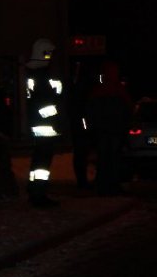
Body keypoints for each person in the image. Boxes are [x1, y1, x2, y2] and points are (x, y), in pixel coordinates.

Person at [24, 37, 64, 208]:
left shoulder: (36, 73)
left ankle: (35, 191)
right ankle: (38, 194)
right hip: (46, 126)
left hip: (42, 125)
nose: (51, 57)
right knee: (42, 162)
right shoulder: (40, 75)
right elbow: (42, 103)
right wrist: (57, 115)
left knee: (39, 161)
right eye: (49, 54)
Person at [85, 60, 133, 196]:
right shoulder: (119, 91)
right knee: (113, 158)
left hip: (103, 131)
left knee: (104, 158)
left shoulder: (97, 91)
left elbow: (90, 111)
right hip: (114, 131)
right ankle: (112, 185)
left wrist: (91, 127)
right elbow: (128, 110)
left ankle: (103, 185)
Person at [68, 61, 97, 189]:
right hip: (83, 125)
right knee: (82, 153)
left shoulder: (78, 86)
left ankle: (83, 180)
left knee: (82, 154)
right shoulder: (84, 86)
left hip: (82, 124)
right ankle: (83, 181)